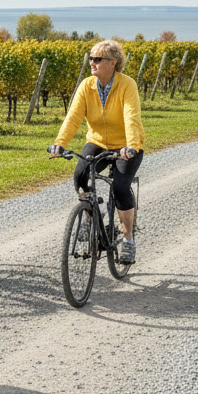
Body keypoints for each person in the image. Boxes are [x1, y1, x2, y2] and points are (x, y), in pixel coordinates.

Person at [49, 39, 145, 263]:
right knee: (80, 175)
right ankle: (90, 215)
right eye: (91, 58)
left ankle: (128, 240)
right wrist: (60, 143)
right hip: (98, 141)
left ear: (113, 62)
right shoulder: (86, 85)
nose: (92, 62)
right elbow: (73, 117)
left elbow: (131, 116)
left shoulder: (127, 85)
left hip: (126, 144)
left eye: (97, 59)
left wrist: (131, 145)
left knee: (120, 188)